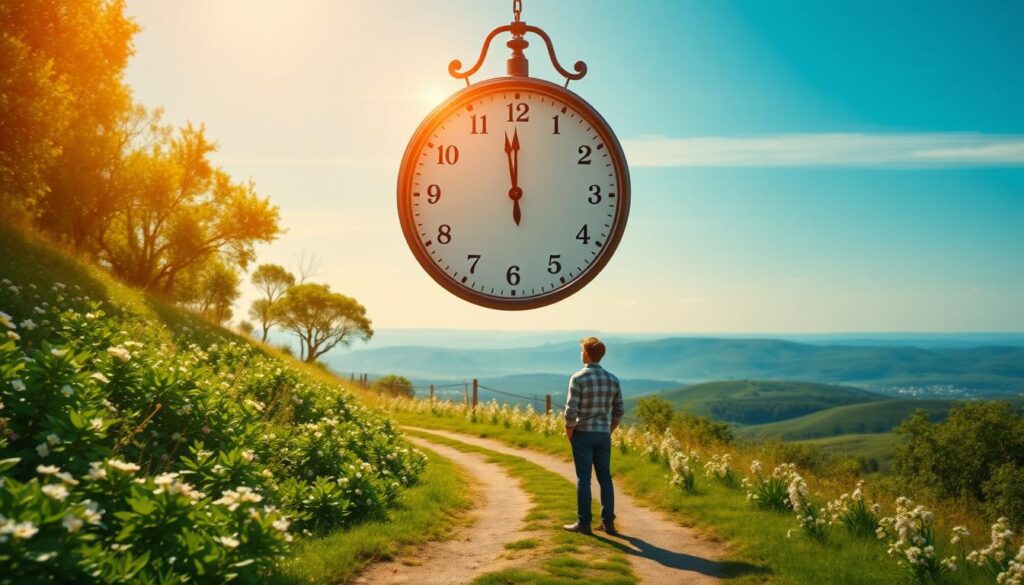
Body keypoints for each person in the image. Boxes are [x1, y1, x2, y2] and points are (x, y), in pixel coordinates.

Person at [562, 336, 624, 536]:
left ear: (587, 354)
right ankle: (608, 523)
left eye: (582, 350)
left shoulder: (578, 378)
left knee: (583, 479)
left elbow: (571, 411)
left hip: (583, 433)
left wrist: (570, 431)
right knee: (605, 478)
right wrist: (609, 429)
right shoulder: (613, 379)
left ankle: (584, 523)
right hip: (603, 434)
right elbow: (619, 410)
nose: (581, 353)